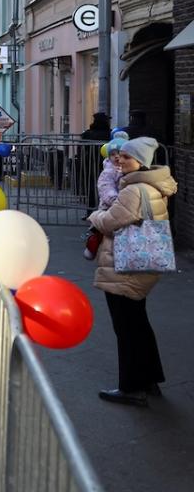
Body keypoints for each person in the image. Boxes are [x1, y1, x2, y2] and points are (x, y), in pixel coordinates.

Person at [87, 137, 175, 407]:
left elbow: (111, 222)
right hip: (140, 265)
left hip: (126, 266)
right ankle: (149, 380)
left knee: (126, 328)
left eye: (127, 157)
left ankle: (131, 388)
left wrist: (94, 216)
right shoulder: (152, 186)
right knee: (138, 324)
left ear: (142, 162)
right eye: (119, 156)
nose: (119, 160)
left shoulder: (134, 190)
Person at [81, 112, 114, 211]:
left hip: (90, 163)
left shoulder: (87, 134)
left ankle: (90, 211)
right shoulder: (110, 134)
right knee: (108, 186)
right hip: (107, 163)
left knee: (91, 187)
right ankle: (105, 210)